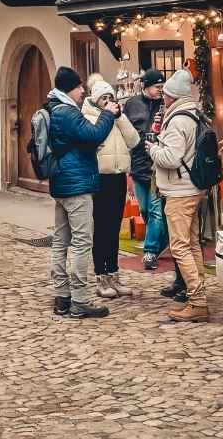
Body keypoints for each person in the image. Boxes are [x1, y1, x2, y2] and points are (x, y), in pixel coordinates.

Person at [46, 64, 117, 319]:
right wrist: (108, 114)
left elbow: (77, 142)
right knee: (81, 243)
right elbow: (94, 134)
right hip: (76, 185)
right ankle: (79, 300)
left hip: (61, 182)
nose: (82, 93)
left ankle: (62, 297)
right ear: (72, 88)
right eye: (80, 88)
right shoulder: (67, 112)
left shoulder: (52, 107)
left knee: (60, 242)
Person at [147, 68, 211, 323]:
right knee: (193, 243)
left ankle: (196, 300)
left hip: (179, 191)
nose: (163, 98)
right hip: (194, 188)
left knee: (180, 246)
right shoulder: (195, 113)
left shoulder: (177, 120)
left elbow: (171, 158)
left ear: (172, 96)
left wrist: (153, 149)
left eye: (165, 95)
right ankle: (200, 294)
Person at [83, 76, 140, 299]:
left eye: (110, 97)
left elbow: (134, 140)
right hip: (100, 177)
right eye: (103, 98)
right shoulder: (88, 117)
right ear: (96, 100)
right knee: (102, 228)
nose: (108, 101)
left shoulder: (118, 117)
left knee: (115, 227)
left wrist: (120, 117)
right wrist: (107, 117)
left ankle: (114, 273)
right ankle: (101, 275)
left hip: (118, 176)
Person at [123, 68, 169, 270]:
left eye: (162, 86)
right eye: (157, 86)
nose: (161, 90)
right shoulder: (132, 105)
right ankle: (163, 239)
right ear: (145, 86)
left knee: (155, 210)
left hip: (158, 165)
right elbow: (123, 130)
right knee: (145, 210)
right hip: (137, 164)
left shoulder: (165, 104)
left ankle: (150, 251)